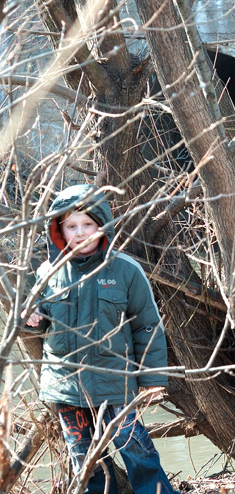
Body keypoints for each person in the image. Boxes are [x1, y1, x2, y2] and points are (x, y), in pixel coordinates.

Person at [24, 184, 175, 494]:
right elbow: (37, 326)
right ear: (60, 231)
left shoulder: (125, 270)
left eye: (88, 224)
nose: (80, 233)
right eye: (71, 226)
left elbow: (147, 325)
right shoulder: (48, 273)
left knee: (138, 451)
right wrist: (30, 319)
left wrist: (152, 378)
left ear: (101, 225)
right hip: (67, 386)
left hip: (115, 384)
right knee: (84, 460)